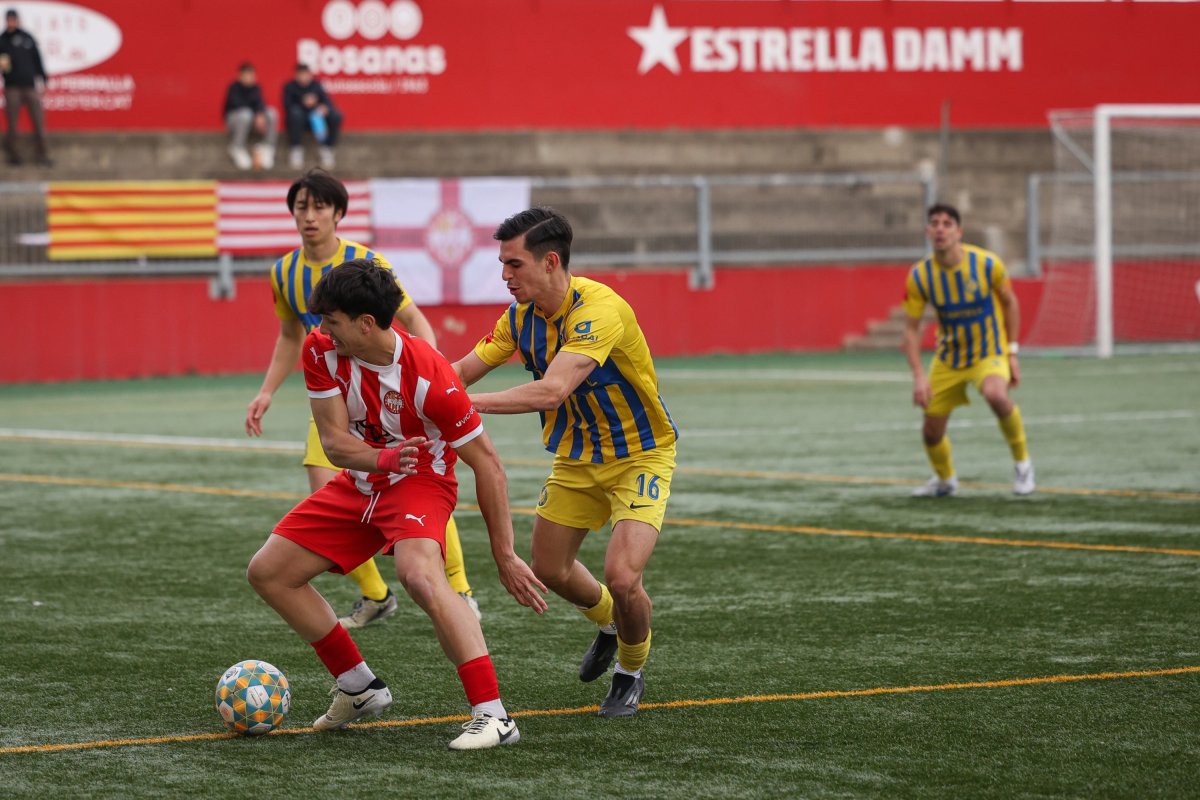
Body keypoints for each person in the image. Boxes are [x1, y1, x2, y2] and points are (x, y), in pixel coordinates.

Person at [246, 258, 547, 749]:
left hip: (422, 481)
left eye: (333, 321)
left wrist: (505, 555)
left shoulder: (431, 375)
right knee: (268, 572)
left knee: (419, 575)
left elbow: (488, 465)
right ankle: (359, 686)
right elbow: (334, 440)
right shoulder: (320, 348)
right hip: (363, 476)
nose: (323, 330)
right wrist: (381, 458)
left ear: (367, 323)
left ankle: (494, 716)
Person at [452, 207, 679, 718]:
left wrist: (467, 406)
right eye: (502, 264)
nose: (505, 276)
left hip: (641, 454)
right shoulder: (517, 319)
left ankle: (631, 669)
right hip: (577, 457)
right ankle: (608, 623)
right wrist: (413, 389)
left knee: (623, 578)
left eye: (514, 265)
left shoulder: (600, 311)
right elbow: (462, 370)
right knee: (548, 568)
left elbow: (553, 390)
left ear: (550, 261)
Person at [245, 169, 482, 629]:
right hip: (334, 400)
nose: (310, 216)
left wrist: (432, 374)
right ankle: (376, 594)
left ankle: (461, 588)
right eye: (301, 207)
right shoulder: (284, 272)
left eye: (320, 207)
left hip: (389, 399)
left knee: (420, 481)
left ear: (338, 213)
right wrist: (266, 391)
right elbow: (290, 337)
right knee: (323, 486)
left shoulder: (365, 263)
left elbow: (411, 319)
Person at [902, 203, 1035, 497]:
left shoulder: (987, 264)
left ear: (959, 232)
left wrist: (1011, 352)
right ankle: (945, 480)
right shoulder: (920, 276)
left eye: (948, 223)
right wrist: (919, 377)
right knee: (930, 432)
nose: (940, 228)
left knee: (996, 395)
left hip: (989, 352)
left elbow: (1010, 302)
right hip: (949, 358)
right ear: (927, 231)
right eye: (934, 223)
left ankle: (1023, 465)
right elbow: (911, 329)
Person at [0, 8, 50, 167]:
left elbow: (37, 58)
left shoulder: (27, 38)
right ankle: (14, 155)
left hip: (30, 86)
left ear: (17, 20)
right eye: (9, 19)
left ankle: (42, 155)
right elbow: (3, 64)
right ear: (6, 21)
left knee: (39, 122)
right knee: (13, 124)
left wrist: (43, 77)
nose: (11, 22)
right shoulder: (2, 40)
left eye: (13, 19)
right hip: (12, 87)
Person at [282, 62, 342, 170]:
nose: (303, 77)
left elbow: (328, 102)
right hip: (300, 120)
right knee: (295, 114)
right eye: (301, 74)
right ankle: (296, 149)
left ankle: (327, 148)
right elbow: (288, 105)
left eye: (306, 74)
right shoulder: (290, 87)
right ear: (296, 75)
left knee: (336, 115)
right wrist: (303, 103)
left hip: (317, 119)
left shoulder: (316, 85)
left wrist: (322, 107)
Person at [223, 62, 278, 170]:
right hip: (235, 120)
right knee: (245, 114)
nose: (249, 78)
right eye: (246, 75)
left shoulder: (256, 88)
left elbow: (260, 103)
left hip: (253, 120)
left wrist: (260, 114)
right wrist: (256, 114)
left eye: (251, 75)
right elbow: (237, 104)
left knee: (272, 113)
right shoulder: (233, 88)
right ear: (240, 76)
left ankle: (268, 148)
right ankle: (237, 147)